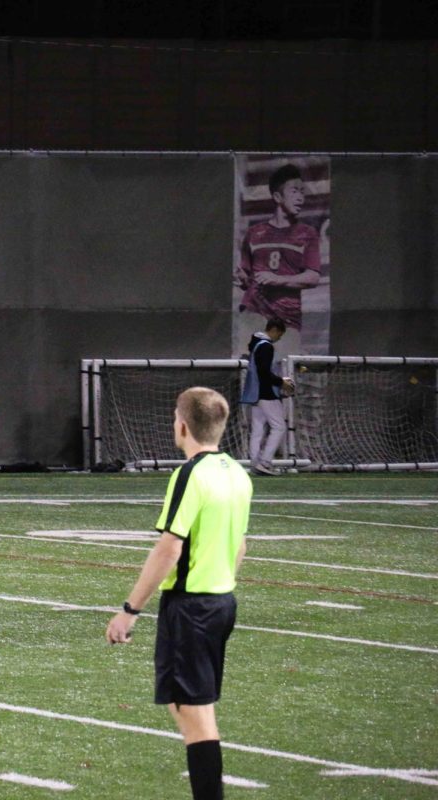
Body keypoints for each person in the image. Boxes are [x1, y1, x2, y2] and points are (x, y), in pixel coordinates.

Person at [106, 386, 251, 800]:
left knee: (196, 718)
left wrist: (129, 610)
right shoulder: (237, 473)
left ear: (183, 425)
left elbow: (170, 547)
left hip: (191, 608)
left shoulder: (190, 474)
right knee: (189, 707)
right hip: (221, 601)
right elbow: (240, 545)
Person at [235, 163, 321, 355]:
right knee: (247, 368)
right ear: (277, 197)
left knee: (284, 374)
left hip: (286, 319)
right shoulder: (254, 233)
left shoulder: (307, 234)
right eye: (294, 191)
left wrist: (279, 279)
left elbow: (313, 277)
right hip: (254, 312)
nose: (300, 197)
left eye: (302, 191)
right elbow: (246, 278)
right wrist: (241, 279)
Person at [241, 318, 293, 476]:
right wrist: (281, 382)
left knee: (258, 429)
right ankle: (265, 461)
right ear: (275, 330)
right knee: (279, 427)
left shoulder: (256, 344)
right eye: (280, 335)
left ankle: (255, 463)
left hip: (255, 393)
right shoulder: (266, 346)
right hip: (266, 393)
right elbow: (264, 372)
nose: (279, 338)